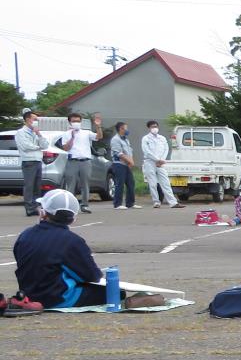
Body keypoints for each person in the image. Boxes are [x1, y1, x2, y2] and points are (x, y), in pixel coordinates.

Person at [13, 190, 161, 309]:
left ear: (43, 212)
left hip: (28, 294)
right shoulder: (72, 241)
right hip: (56, 298)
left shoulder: (24, 235)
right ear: (72, 218)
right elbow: (91, 276)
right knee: (116, 293)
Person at [59, 113, 96, 212]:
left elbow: (98, 137)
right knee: (71, 184)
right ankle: (70, 205)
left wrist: (98, 126)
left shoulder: (86, 132)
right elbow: (66, 148)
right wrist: (72, 137)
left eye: (78, 121)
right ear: (70, 122)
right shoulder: (66, 134)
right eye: (74, 121)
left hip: (85, 161)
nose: (76, 123)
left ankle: (84, 205)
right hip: (72, 161)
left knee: (85, 183)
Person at [141, 121, 181, 208]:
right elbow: (147, 152)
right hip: (150, 162)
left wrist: (162, 160)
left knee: (165, 182)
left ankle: (173, 202)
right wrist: (157, 160)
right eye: (152, 127)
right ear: (149, 128)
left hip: (161, 163)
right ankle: (156, 201)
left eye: (156, 126)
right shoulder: (146, 138)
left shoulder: (162, 138)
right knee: (153, 183)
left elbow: (166, 149)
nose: (154, 128)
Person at [14, 109, 44, 216]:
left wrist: (39, 135)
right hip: (28, 161)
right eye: (34, 119)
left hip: (38, 160)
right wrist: (38, 147)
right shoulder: (21, 132)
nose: (36, 121)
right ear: (27, 119)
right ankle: (29, 207)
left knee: (37, 186)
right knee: (29, 185)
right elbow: (26, 146)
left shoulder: (35, 133)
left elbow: (45, 144)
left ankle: (36, 206)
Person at [108, 122, 138, 210]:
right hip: (119, 164)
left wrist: (130, 161)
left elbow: (129, 151)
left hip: (126, 164)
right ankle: (117, 204)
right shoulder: (115, 139)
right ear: (121, 129)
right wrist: (130, 161)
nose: (127, 130)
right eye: (125, 128)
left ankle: (130, 203)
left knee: (131, 183)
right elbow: (119, 153)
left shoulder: (125, 139)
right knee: (119, 184)